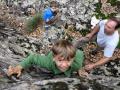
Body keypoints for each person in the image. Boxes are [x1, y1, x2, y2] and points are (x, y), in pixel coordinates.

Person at [7, 39, 85, 77]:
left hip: (73, 52)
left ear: (73, 58)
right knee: (53, 52)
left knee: (71, 51)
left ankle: (72, 45)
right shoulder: (48, 62)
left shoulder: (77, 64)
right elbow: (32, 58)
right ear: (54, 58)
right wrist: (19, 67)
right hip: (52, 54)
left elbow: (80, 53)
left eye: (68, 60)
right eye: (60, 60)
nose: (64, 64)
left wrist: (79, 69)